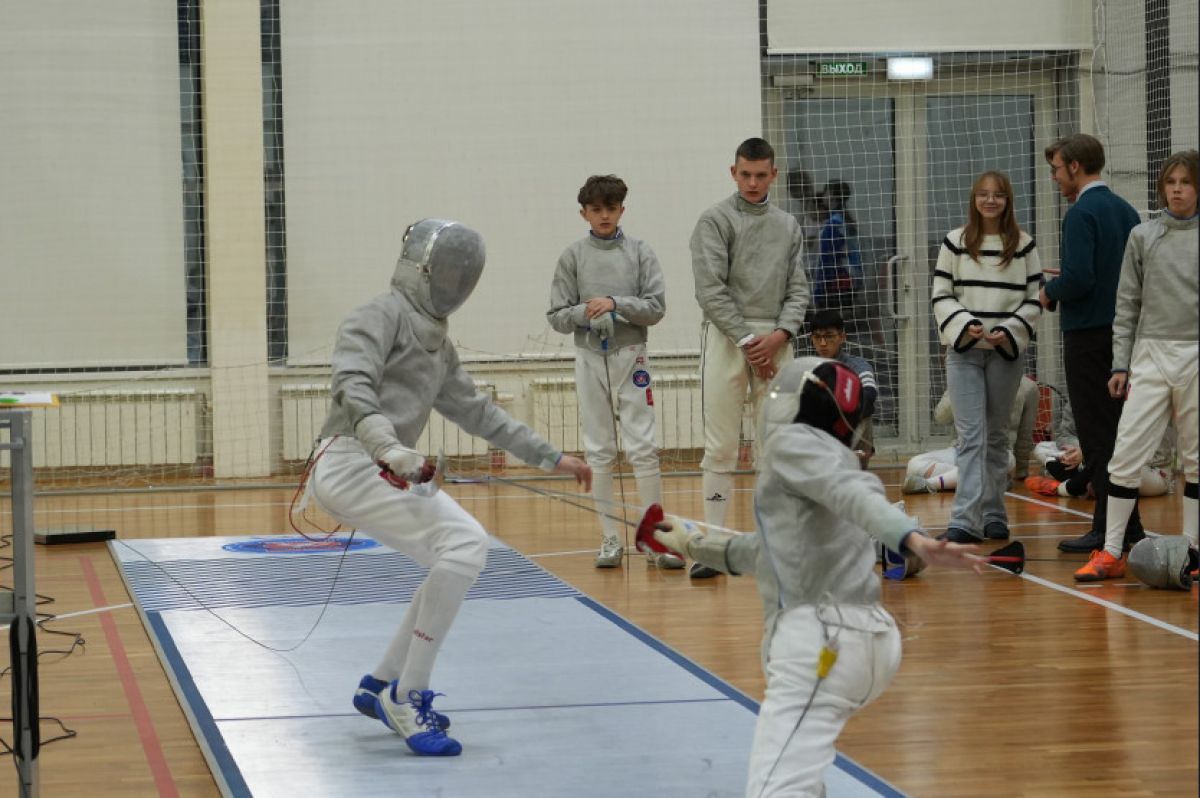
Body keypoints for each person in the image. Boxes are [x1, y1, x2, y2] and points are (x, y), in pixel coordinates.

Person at [308, 219, 592, 756]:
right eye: (445, 273)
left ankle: (380, 682)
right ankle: (405, 695)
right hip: (350, 462)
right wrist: (387, 447)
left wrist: (550, 456)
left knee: (451, 556)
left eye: (461, 276)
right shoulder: (377, 315)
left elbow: (478, 412)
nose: (453, 284)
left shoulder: (438, 342)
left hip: (384, 465)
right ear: (420, 270)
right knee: (465, 543)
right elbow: (352, 385)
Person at [650, 357, 982, 796]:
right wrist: (692, 544)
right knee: (802, 778)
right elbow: (768, 552)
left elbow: (854, 494)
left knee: (776, 788)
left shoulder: (794, 445)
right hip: (869, 644)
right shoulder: (830, 464)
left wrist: (911, 538)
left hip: (823, 643)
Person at [1074, 150, 1199, 581]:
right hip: (1149, 355)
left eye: (1185, 182)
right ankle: (1111, 552)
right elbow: (1126, 305)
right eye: (1171, 182)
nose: (1177, 190)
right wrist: (1119, 365)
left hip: (1196, 355)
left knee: (1195, 459)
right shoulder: (1143, 236)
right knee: (1124, 455)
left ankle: (1193, 552)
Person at [689, 137, 809, 578]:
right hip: (726, 340)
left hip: (776, 340)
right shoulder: (715, 220)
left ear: (774, 174)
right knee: (721, 446)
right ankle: (714, 546)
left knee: (775, 447)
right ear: (733, 173)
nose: (753, 183)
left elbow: (798, 289)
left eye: (761, 175)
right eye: (746, 175)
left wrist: (778, 335)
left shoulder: (788, 225)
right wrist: (747, 340)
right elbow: (710, 289)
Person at [547, 175, 681, 569]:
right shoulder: (573, 257)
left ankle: (655, 538)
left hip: (632, 355)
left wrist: (615, 304)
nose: (604, 216)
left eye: (610, 208)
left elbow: (655, 307)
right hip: (590, 357)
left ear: (622, 209)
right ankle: (610, 538)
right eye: (596, 209)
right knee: (599, 450)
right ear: (584, 214)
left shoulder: (640, 252)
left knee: (643, 448)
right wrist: (588, 312)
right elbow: (556, 315)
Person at [1040, 133, 1145, 554]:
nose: (1054, 177)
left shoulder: (1080, 213)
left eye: (1056, 169)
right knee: (1118, 434)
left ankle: (1107, 529)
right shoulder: (1126, 210)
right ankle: (1128, 526)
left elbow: (1080, 279)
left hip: (1088, 336)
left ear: (1075, 167)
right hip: (1123, 335)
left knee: (1097, 436)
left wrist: (1050, 290)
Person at [932, 171, 1042, 542]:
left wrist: (1009, 331)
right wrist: (967, 325)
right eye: (983, 194)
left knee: (996, 437)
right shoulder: (954, 242)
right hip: (964, 354)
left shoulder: (1024, 245)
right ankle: (964, 520)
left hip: (1005, 356)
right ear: (974, 199)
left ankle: (995, 515)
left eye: (998, 195)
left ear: (1008, 200)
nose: (990, 200)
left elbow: (1034, 299)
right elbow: (941, 294)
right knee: (970, 438)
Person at [902, 375, 1038, 494]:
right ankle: (986, 480)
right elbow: (941, 417)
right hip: (961, 451)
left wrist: (1021, 472)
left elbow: (1025, 436)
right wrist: (962, 383)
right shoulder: (963, 376)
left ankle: (932, 483)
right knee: (914, 464)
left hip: (998, 454)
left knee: (1008, 461)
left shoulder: (1027, 387)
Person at [809, 308, 878, 467]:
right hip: (818, 440)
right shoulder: (807, 368)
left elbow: (869, 395)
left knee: (865, 407)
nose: (823, 343)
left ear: (842, 337)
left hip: (849, 434)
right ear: (812, 339)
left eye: (829, 336)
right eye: (817, 337)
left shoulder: (858, 366)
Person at [810, 179, 864, 316]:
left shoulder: (833, 224)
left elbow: (828, 261)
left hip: (834, 285)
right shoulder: (845, 221)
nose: (823, 197)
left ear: (832, 196)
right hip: (849, 283)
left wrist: (819, 292)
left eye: (826, 193)